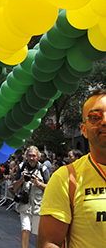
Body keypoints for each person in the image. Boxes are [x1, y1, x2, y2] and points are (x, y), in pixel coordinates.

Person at [38, 87, 106, 248]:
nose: (104, 121)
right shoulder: (66, 178)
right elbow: (48, 243)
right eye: (95, 116)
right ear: (84, 130)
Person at [13, 145, 50, 248]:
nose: (31, 158)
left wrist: (37, 183)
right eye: (29, 156)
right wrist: (22, 178)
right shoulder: (21, 167)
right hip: (24, 205)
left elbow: (49, 188)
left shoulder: (43, 168)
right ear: (26, 156)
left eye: (33, 156)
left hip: (38, 206)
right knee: (25, 229)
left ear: (38, 157)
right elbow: (14, 186)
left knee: (38, 232)